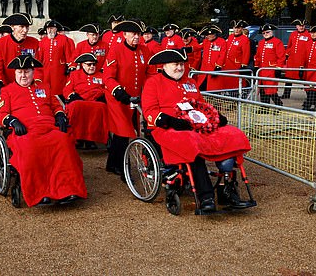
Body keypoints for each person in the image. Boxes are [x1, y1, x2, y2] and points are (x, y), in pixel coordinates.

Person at [142, 49, 252, 212]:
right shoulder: (153, 82)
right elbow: (149, 110)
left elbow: (201, 104)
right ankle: (205, 195)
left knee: (232, 135)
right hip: (169, 128)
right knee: (192, 146)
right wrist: (170, 121)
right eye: (175, 64)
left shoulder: (191, 82)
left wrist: (216, 116)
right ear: (164, 66)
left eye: (182, 64)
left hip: (196, 125)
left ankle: (226, 190)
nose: (180, 68)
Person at [0, 55, 87, 206]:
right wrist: (12, 120)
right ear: (15, 73)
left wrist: (60, 116)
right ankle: (40, 192)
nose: (23, 75)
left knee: (64, 142)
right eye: (20, 72)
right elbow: (0, 113)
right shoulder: (7, 91)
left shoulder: (44, 87)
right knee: (31, 148)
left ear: (33, 72)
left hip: (49, 128)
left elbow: (56, 106)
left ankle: (67, 189)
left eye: (27, 71)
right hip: (24, 131)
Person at [103, 19, 151, 176]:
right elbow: (108, 77)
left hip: (135, 98)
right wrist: (118, 92)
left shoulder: (145, 50)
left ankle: (112, 163)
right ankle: (124, 167)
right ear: (124, 34)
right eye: (133, 34)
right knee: (124, 131)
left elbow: (150, 74)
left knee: (123, 131)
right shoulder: (115, 50)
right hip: (118, 97)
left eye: (139, 34)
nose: (137, 37)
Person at [0, 13, 42, 95]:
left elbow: (38, 67)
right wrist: (0, 88)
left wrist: (37, 83)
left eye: (27, 27)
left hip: (28, 88)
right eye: (21, 26)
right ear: (13, 27)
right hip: (6, 87)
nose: (25, 30)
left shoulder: (34, 43)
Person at [63, 53, 108, 150]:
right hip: (79, 100)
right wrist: (74, 96)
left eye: (94, 64)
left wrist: (102, 96)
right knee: (76, 106)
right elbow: (67, 89)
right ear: (82, 65)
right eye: (89, 64)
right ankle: (77, 138)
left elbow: (106, 89)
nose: (92, 67)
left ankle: (91, 139)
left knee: (101, 107)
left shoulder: (101, 75)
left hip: (96, 101)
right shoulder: (75, 75)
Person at [38, 20, 74, 99]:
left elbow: (68, 54)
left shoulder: (63, 39)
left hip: (59, 69)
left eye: (52, 28)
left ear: (56, 29)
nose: (50, 30)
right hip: (46, 69)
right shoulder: (43, 41)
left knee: (59, 89)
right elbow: (40, 57)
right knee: (46, 88)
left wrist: (69, 66)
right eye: (48, 29)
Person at [253, 23, 286, 106]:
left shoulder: (277, 42)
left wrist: (278, 68)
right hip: (262, 69)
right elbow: (258, 56)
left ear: (271, 32)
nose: (265, 34)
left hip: (271, 69)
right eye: (263, 33)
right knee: (262, 89)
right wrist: (256, 66)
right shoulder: (261, 43)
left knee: (271, 89)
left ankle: (278, 105)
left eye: (267, 32)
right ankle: (264, 107)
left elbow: (281, 57)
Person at [283, 19, 311, 99]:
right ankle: (286, 94)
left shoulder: (308, 35)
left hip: (302, 60)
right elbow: (289, 46)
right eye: (299, 26)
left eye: (302, 26)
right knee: (288, 78)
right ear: (296, 26)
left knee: (304, 78)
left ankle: (310, 96)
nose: (301, 27)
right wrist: (287, 54)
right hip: (292, 60)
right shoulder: (293, 34)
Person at [196, 25, 227, 91]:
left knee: (213, 89)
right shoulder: (205, 41)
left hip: (214, 69)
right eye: (206, 35)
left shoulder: (222, 42)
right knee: (201, 87)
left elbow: (222, 55)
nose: (206, 36)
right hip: (204, 70)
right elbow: (198, 47)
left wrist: (218, 66)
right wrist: (189, 49)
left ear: (214, 34)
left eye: (208, 35)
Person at [223, 20, 251, 91]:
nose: (236, 30)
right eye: (235, 28)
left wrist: (243, 65)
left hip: (236, 65)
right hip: (227, 64)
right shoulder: (230, 36)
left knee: (235, 84)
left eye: (238, 28)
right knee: (227, 83)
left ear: (242, 29)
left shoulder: (245, 39)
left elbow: (246, 53)